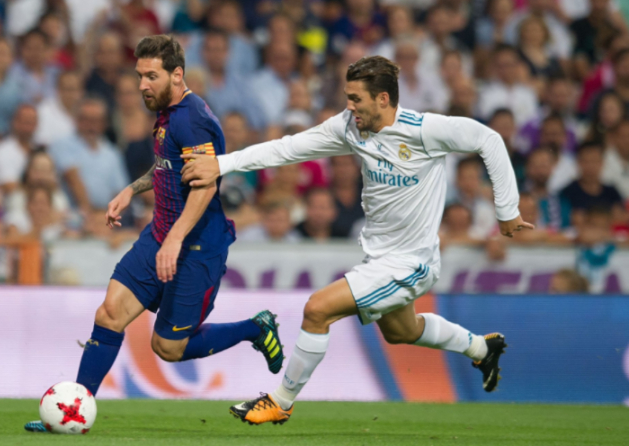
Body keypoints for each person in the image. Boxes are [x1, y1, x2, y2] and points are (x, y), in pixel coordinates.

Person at [181, 55, 533, 425]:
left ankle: (280, 401)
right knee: (402, 331)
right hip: (379, 259)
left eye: (356, 98)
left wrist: (506, 209)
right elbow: (286, 148)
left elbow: (489, 139)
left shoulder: (424, 130)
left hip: (411, 262)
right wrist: (222, 163)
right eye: (348, 97)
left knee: (317, 309)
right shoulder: (349, 127)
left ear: (383, 99)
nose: (349, 106)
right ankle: (482, 348)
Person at [24, 34, 283, 433]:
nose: (142, 85)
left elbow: (205, 187)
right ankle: (73, 410)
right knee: (109, 313)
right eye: (139, 75)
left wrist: (176, 241)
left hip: (197, 247)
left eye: (151, 76)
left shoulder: (193, 120)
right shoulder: (167, 111)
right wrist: (131, 189)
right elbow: (166, 166)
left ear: (177, 75)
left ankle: (255, 328)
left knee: (167, 347)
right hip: (160, 234)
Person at [0, 105, 39, 194]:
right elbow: (8, 186)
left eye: (33, 123)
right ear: (15, 122)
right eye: (26, 122)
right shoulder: (1, 151)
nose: (29, 128)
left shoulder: (40, 149)